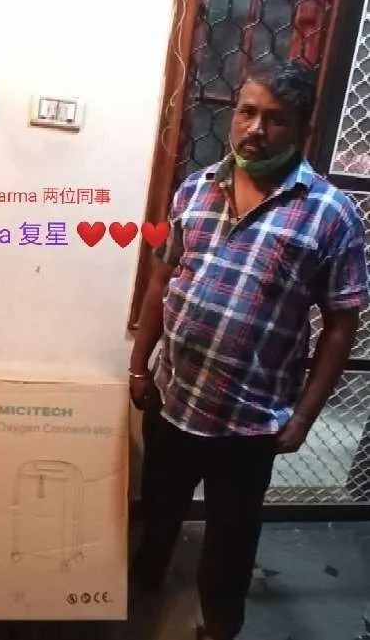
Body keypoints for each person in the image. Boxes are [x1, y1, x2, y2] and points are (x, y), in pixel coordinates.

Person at [128, 60, 369, 640]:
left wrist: (304, 416)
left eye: (275, 119)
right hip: (173, 398)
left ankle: (219, 625)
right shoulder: (195, 188)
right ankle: (142, 591)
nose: (256, 128)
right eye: (247, 111)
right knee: (157, 509)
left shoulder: (331, 214)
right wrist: (139, 366)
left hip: (249, 420)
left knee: (231, 537)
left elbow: (341, 326)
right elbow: (162, 281)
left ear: (302, 129)